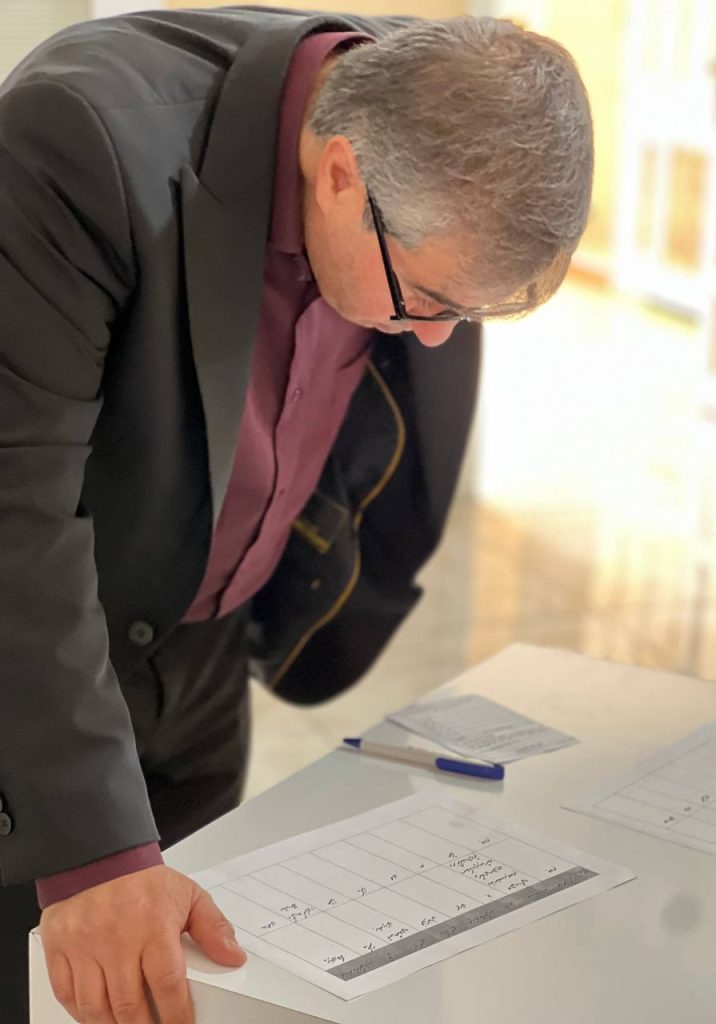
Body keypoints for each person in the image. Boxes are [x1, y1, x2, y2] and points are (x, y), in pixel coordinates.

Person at [0, 6, 593, 1022]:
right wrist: (91, 848)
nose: (438, 340)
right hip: (41, 670)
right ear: (339, 177)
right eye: (430, 302)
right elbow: (13, 500)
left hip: (206, 649)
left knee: (186, 990)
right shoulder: (77, 141)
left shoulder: (436, 119)